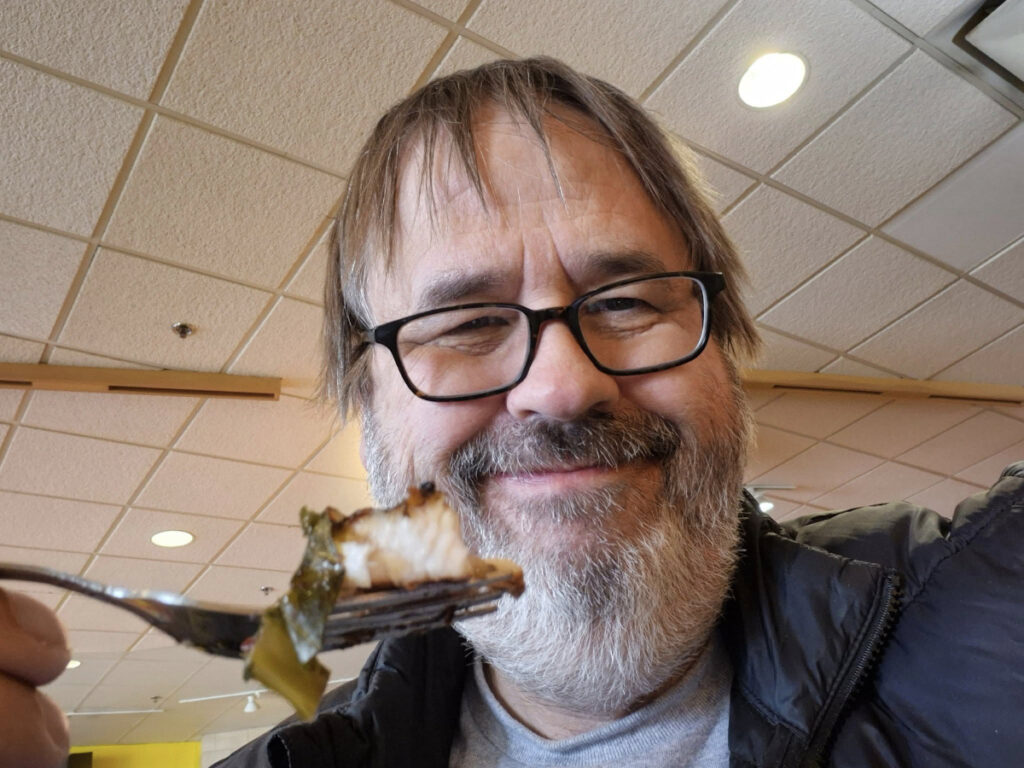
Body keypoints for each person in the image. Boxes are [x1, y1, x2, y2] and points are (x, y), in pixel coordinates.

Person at [2, 57, 1021, 768]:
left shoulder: (970, 620)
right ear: (368, 399)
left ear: (724, 346)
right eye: (466, 322)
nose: (562, 386)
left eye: (628, 301)